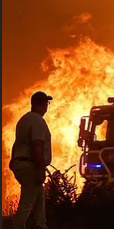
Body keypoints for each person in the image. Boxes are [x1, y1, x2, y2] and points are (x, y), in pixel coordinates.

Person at [9, 91, 53, 229]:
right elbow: (37, 145)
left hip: (21, 163)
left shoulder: (24, 120)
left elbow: (17, 143)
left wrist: (13, 161)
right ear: (44, 104)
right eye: (47, 103)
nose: (47, 106)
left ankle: (41, 225)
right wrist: (40, 169)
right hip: (30, 166)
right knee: (27, 202)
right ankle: (18, 225)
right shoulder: (37, 120)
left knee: (39, 200)